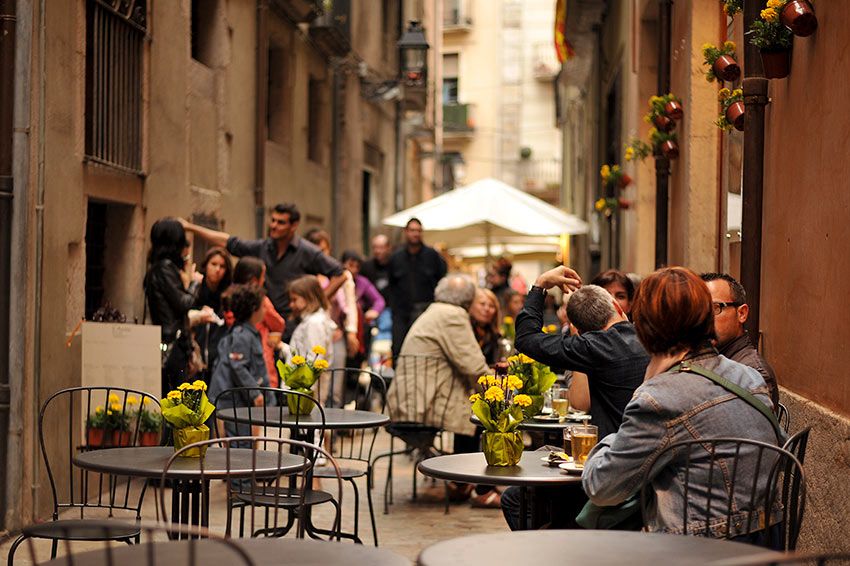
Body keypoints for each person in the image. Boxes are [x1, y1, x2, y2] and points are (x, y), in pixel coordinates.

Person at [582, 267, 781, 539]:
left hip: (698, 550)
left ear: (645, 329)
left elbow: (602, 487)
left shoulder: (659, 398)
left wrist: (606, 438)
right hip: (767, 541)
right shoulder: (748, 376)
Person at [388, 274, 491, 503]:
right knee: (480, 414)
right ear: (468, 299)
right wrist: (500, 390)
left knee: (470, 406)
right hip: (421, 404)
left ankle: (462, 482)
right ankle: (475, 486)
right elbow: (472, 365)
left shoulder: (436, 310)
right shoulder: (452, 315)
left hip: (411, 397)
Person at [179, 204, 346, 330]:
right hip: (263, 321)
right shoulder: (263, 247)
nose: (274, 225)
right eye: (273, 220)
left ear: (294, 226)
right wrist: (190, 227)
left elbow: (341, 274)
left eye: (281, 222)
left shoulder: (307, 251)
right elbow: (229, 242)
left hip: (293, 324)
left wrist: (315, 303)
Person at [144, 218, 214, 396]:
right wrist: (194, 283)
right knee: (175, 399)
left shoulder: (159, 268)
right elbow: (184, 303)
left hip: (172, 343)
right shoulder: (164, 269)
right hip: (173, 345)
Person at [701, 272, 779, 411]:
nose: (704, 318)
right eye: (699, 310)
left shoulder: (753, 374)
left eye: (715, 308)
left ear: (741, 313)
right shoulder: (710, 358)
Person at [208, 284, 269, 443]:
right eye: (263, 306)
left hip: (238, 400)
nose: (266, 310)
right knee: (239, 445)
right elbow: (238, 365)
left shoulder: (246, 332)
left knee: (243, 442)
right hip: (234, 401)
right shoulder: (242, 335)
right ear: (254, 309)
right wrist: (255, 393)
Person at [388, 218, 447, 360]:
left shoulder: (433, 256)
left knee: (426, 352)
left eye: (418, 231)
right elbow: (391, 286)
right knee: (398, 351)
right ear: (406, 232)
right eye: (412, 230)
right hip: (401, 314)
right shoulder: (396, 257)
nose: (415, 234)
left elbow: (442, 282)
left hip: (426, 312)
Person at [303, 229, 360, 370]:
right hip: (311, 333)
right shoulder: (305, 275)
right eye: (315, 251)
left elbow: (350, 306)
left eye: (323, 250)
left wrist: (351, 332)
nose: (320, 255)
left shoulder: (340, 274)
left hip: (336, 333)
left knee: (335, 382)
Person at [231, 257, 285, 387]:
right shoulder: (260, 300)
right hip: (260, 355)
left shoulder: (230, 296)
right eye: (263, 276)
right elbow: (279, 324)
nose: (264, 280)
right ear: (254, 280)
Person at [284, 275, 337, 403]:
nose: (291, 305)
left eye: (294, 300)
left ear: (308, 298)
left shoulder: (314, 323)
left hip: (307, 398)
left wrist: (304, 394)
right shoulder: (311, 321)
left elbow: (314, 360)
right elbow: (301, 352)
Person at [194, 247, 233, 383]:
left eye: (222, 266)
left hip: (219, 362)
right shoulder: (194, 290)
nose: (218, 269)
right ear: (205, 266)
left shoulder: (229, 296)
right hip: (195, 359)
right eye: (214, 264)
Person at [342, 250, 386, 365]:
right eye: (351, 265)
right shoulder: (337, 280)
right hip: (340, 327)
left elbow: (379, 300)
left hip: (359, 327)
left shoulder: (362, 282)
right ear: (342, 264)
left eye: (357, 267)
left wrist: (374, 311)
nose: (354, 270)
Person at [470, 288, 502, 365]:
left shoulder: (495, 335)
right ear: (471, 306)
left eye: (491, 306)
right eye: (482, 304)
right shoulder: (464, 330)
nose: (487, 309)